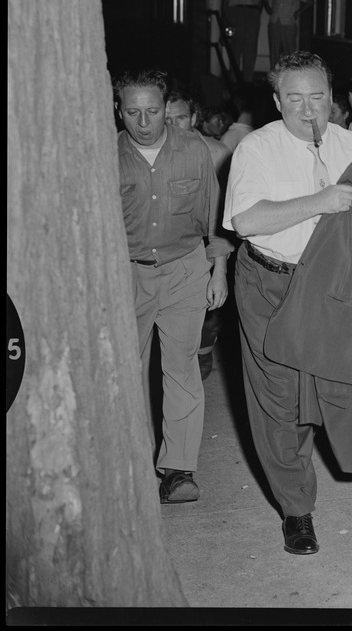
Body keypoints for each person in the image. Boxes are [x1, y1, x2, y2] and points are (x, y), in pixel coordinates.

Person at [224, 51, 352, 555]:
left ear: (332, 96)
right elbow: (246, 222)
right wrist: (319, 202)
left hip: (333, 289)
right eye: (296, 99)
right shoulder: (256, 148)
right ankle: (297, 510)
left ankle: (340, 461)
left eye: (318, 97)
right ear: (278, 100)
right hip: (271, 285)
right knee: (278, 400)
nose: (309, 110)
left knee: (337, 385)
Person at [115, 71, 230, 504]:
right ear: (119, 109)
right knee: (130, 373)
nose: (144, 121)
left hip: (185, 269)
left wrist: (218, 268)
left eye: (153, 111)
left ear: (167, 108)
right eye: (133, 111)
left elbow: (215, 216)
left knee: (181, 368)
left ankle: (178, 470)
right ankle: (133, 461)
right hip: (128, 272)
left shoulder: (195, 151)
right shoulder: (106, 155)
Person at [165, 92, 236, 380]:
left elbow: (224, 211)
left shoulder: (217, 152)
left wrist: (220, 265)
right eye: (166, 118)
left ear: (194, 118)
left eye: (180, 118)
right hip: (173, 248)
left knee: (209, 310)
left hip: (211, 239)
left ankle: (205, 352)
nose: (172, 125)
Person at [221, 0, 266, 84]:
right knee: (236, 46)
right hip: (236, 13)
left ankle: (248, 79)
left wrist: (257, 12)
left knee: (250, 47)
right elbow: (225, 3)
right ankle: (234, 80)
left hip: (252, 14)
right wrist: (226, 20)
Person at [264, 0, 312, 68]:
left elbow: (309, 1)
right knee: (274, 51)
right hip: (274, 22)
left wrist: (298, 12)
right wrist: (268, 8)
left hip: (289, 23)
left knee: (290, 52)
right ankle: (274, 76)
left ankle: (290, 76)